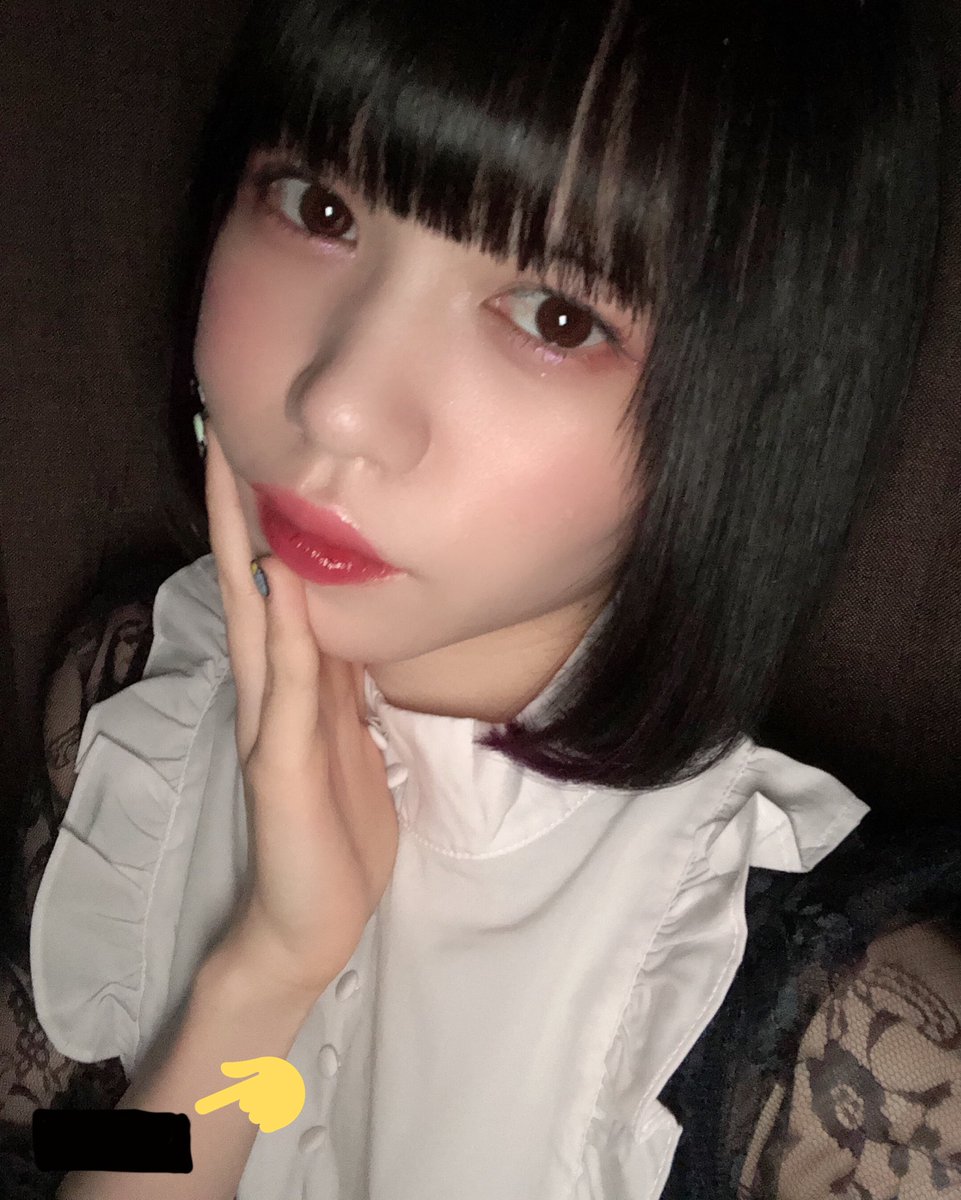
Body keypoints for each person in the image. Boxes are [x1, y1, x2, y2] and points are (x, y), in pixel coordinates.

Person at [19, 0, 958, 1196]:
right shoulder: (137, 696)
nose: (336, 404)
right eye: (317, 207)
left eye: (555, 317)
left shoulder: (844, 1056)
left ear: (750, 417)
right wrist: (256, 982)